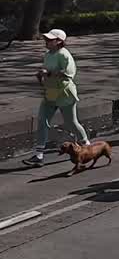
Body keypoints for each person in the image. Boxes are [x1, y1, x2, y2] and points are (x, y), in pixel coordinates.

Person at [24, 29, 90, 166]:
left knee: (71, 122)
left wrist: (47, 73)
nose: (46, 41)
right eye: (46, 39)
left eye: (50, 40)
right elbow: (47, 71)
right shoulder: (48, 54)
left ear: (59, 41)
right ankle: (39, 155)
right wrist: (41, 76)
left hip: (64, 92)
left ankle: (87, 146)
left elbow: (68, 74)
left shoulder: (64, 55)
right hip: (51, 91)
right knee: (42, 121)